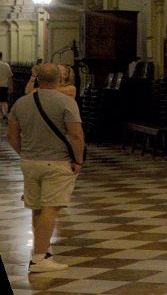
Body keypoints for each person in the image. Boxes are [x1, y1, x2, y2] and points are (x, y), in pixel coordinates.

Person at [6, 62, 84, 275]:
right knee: (51, 207)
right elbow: (76, 135)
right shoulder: (65, 101)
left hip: (30, 162)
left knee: (37, 207)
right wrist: (78, 160)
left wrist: (25, 154)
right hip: (56, 162)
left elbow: (11, 135)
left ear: (38, 79)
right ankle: (39, 258)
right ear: (60, 80)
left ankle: (44, 249)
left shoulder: (21, 102)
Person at [0, 52, 12, 122]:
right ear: (1, 56)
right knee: (4, 101)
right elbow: (9, 77)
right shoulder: (6, 65)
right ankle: (5, 114)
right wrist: (10, 87)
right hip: (4, 86)